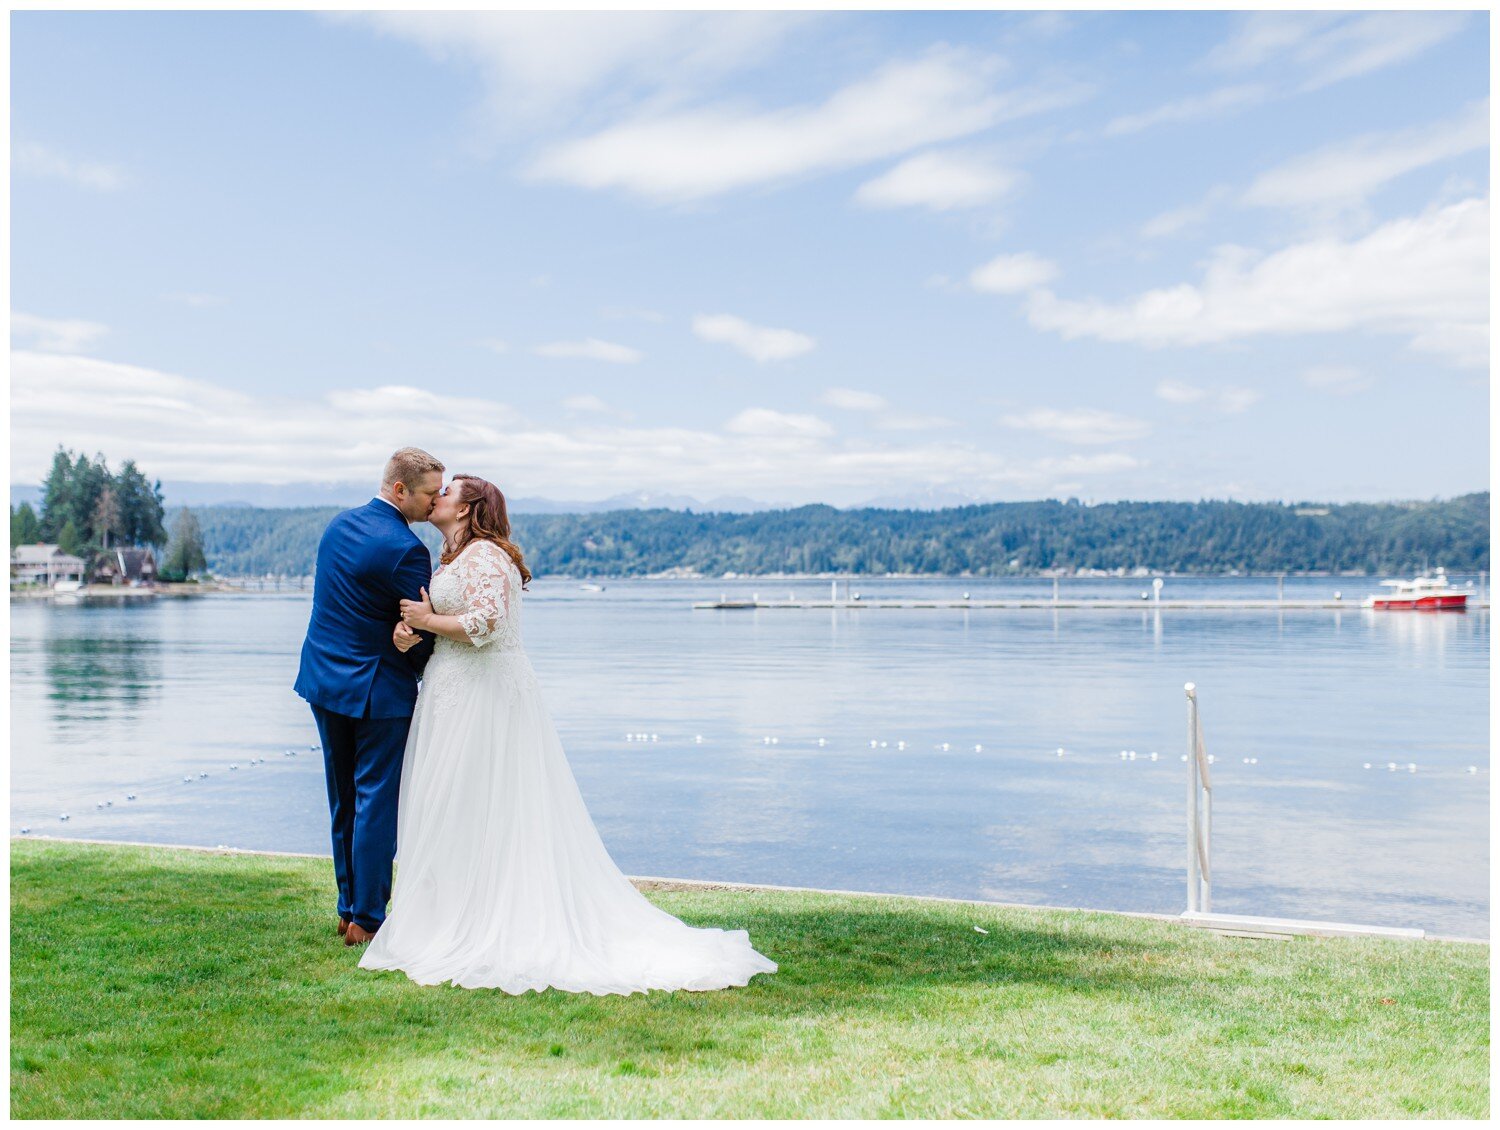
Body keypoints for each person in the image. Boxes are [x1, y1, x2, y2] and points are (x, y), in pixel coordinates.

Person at [359, 473, 776, 994]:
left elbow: (486, 624)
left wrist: (427, 618)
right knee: (456, 805)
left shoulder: (487, 556)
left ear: (467, 509)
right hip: (453, 690)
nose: (435, 496)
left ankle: (487, 921)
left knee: (484, 803)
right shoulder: (453, 558)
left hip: (483, 696)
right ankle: (451, 914)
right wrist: (411, 630)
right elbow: (453, 620)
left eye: (446, 492)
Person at [294, 447, 444, 947]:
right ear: (399, 489)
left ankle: (347, 909)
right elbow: (419, 628)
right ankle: (370, 918)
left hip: (323, 679)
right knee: (376, 801)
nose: (434, 502)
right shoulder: (406, 549)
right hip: (377, 688)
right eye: (428, 493)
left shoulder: (338, 526)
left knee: (343, 798)